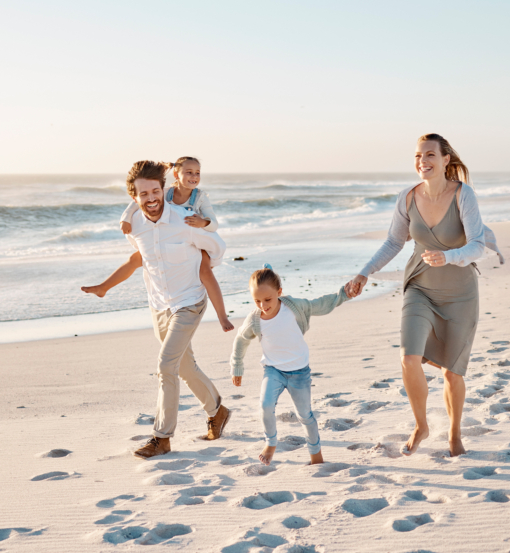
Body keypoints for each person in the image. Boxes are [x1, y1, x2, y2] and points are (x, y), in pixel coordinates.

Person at [351, 134, 504, 458]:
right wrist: (365, 272)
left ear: (446, 159)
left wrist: (448, 256)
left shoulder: (463, 195)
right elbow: (394, 242)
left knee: (452, 371)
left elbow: (477, 244)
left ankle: (454, 432)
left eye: (430, 154)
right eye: (418, 156)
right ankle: (421, 425)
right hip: (420, 286)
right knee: (409, 359)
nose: (423, 161)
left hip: (460, 294)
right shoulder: (407, 197)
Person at [82, 160, 232, 458]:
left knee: (166, 366)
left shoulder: (185, 220)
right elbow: (139, 259)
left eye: (155, 191)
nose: (151, 198)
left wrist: (204, 263)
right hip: (160, 305)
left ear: (164, 189)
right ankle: (217, 411)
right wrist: (104, 287)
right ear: (134, 198)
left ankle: (161, 438)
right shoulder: (135, 223)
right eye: (143, 194)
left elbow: (217, 245)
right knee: (184, 367)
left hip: (189, 302)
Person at [85, 156, 233, 332]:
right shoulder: (166, 191)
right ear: (176, 175)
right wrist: (125, 220)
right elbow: (136, 203)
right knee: (135, 259)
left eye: (197, 173)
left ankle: (222, 317)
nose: (193, 176)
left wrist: (204, 223)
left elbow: (214, 224)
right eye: (188, 172)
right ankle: (103, 287)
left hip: (195, 239)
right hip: (169, 237)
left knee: (205, 272)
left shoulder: (200, 197)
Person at [230, 264, 355, 466]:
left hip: (299, 372)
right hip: (273, 371)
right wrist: (237, 366)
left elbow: (319, 304)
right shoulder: (255, 319)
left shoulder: (293, 307)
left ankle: (316, 456)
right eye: (257, 301)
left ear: (279, 292)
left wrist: (343, 295)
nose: (263, 305)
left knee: (305, 415)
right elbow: (241, 339)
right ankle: (270, 443)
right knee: (265, 406)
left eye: (268, 299)